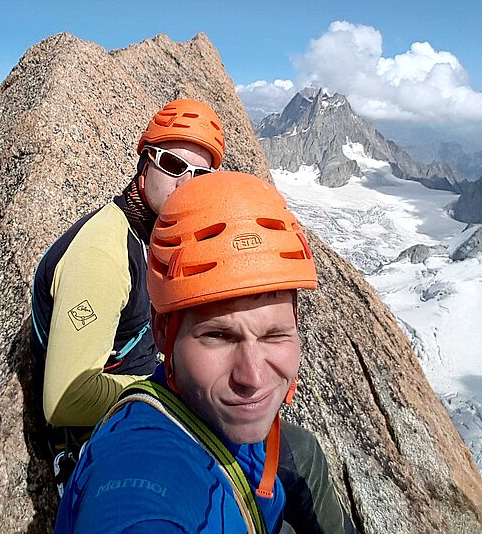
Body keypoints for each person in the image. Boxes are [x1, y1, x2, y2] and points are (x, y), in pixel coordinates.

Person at [55, 171, 359, 533]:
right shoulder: (143, 481)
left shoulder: (213, 405)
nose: (253, 377)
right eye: (218, 336)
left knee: (304, 448)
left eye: (275, 335)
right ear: (163, 332)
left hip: (250, 486)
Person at [30, 98, 225, 489]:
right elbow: (66, 398)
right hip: (100, 431)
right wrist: (171, 391)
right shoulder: (103, 256)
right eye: (173, 165)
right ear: (145, 162)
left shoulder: (152, 234)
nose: (186, 184)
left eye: (201, 176)